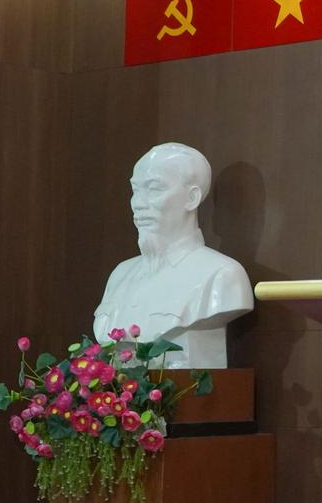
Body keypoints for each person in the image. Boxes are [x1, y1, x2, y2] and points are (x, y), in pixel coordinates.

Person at [93, 142, 253, 368]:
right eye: (136, 190)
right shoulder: (121, 275)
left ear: (192, 198)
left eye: (154, 189)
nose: (138, 203)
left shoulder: (222, 275)